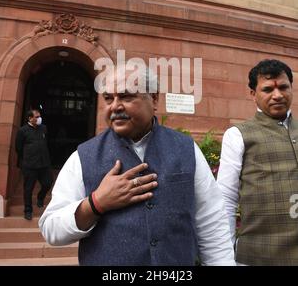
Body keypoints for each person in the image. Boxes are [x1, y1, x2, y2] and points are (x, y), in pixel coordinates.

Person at [39, 65, 235, 266]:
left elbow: (212, 223)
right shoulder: (82, 157)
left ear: (154, 99)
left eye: (126, 96)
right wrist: (97, 203)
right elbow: (51, 229)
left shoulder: (186, 149)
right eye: (108, 98)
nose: (115, 106)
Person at [217, 59, 298, 266]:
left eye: (283, 87)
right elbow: (225, 198)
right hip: (257, 256)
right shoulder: (237, 135)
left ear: (291, 87)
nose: (277, 95)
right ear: (253, 94)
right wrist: (223, 258)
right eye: (268, 89)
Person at [15, 109, 53, 220]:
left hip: (44, 164)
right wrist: (26, 160)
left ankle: (40, 197)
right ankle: (28, 210)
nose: (39, 118)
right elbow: (18, 148)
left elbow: (47, 143)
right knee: (28, 188)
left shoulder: (43, 129)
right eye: (36, 117)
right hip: (30, 165)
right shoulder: (23, 131)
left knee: (48, 183)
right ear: (30, 118)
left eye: (39, 116)